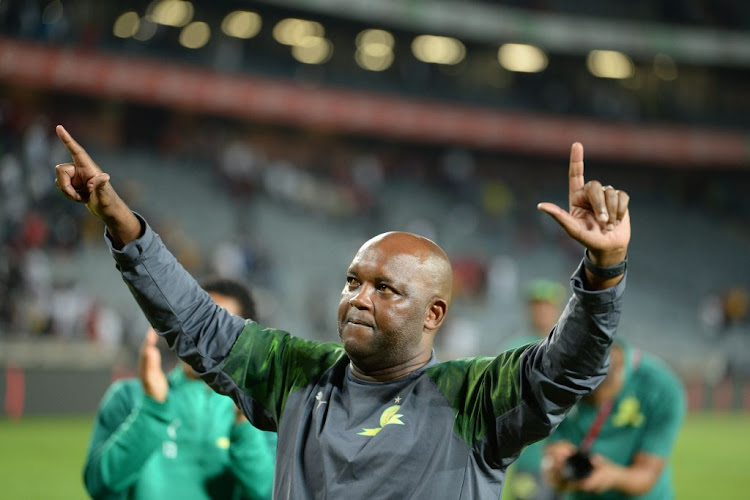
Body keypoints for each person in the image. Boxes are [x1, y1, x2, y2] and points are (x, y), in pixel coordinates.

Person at [55, 125, 631, 499]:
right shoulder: (298, 374)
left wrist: (603, 272)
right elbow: (198, 325)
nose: (358, 297)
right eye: (353, 281)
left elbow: (565, 371)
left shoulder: (471, 398)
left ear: (433, 315)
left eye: (385, 289)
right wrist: (121, 224)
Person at [83, 278, 277, 500]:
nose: (202, 337)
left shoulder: (262, 412)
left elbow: (270, 494)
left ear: (245, 341)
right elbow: (99, 486)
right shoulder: (130, 396)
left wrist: (244, 425)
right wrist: (152, 410)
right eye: (195, 320)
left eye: (219, 327)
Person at [542, 341, 686, 499]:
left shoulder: (660, 386)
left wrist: (612, 476)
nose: (583, 404)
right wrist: (557, 470)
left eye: (592, 399)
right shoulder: (559, 382)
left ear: (619, 368)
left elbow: (648, 472)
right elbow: (551, 461)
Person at [502, 280, 568, 500]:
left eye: (547, 306)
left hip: (566, 451)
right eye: (537, 306)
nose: (542, 311)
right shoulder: (514, 350)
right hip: (528, 456)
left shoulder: (570, 349)